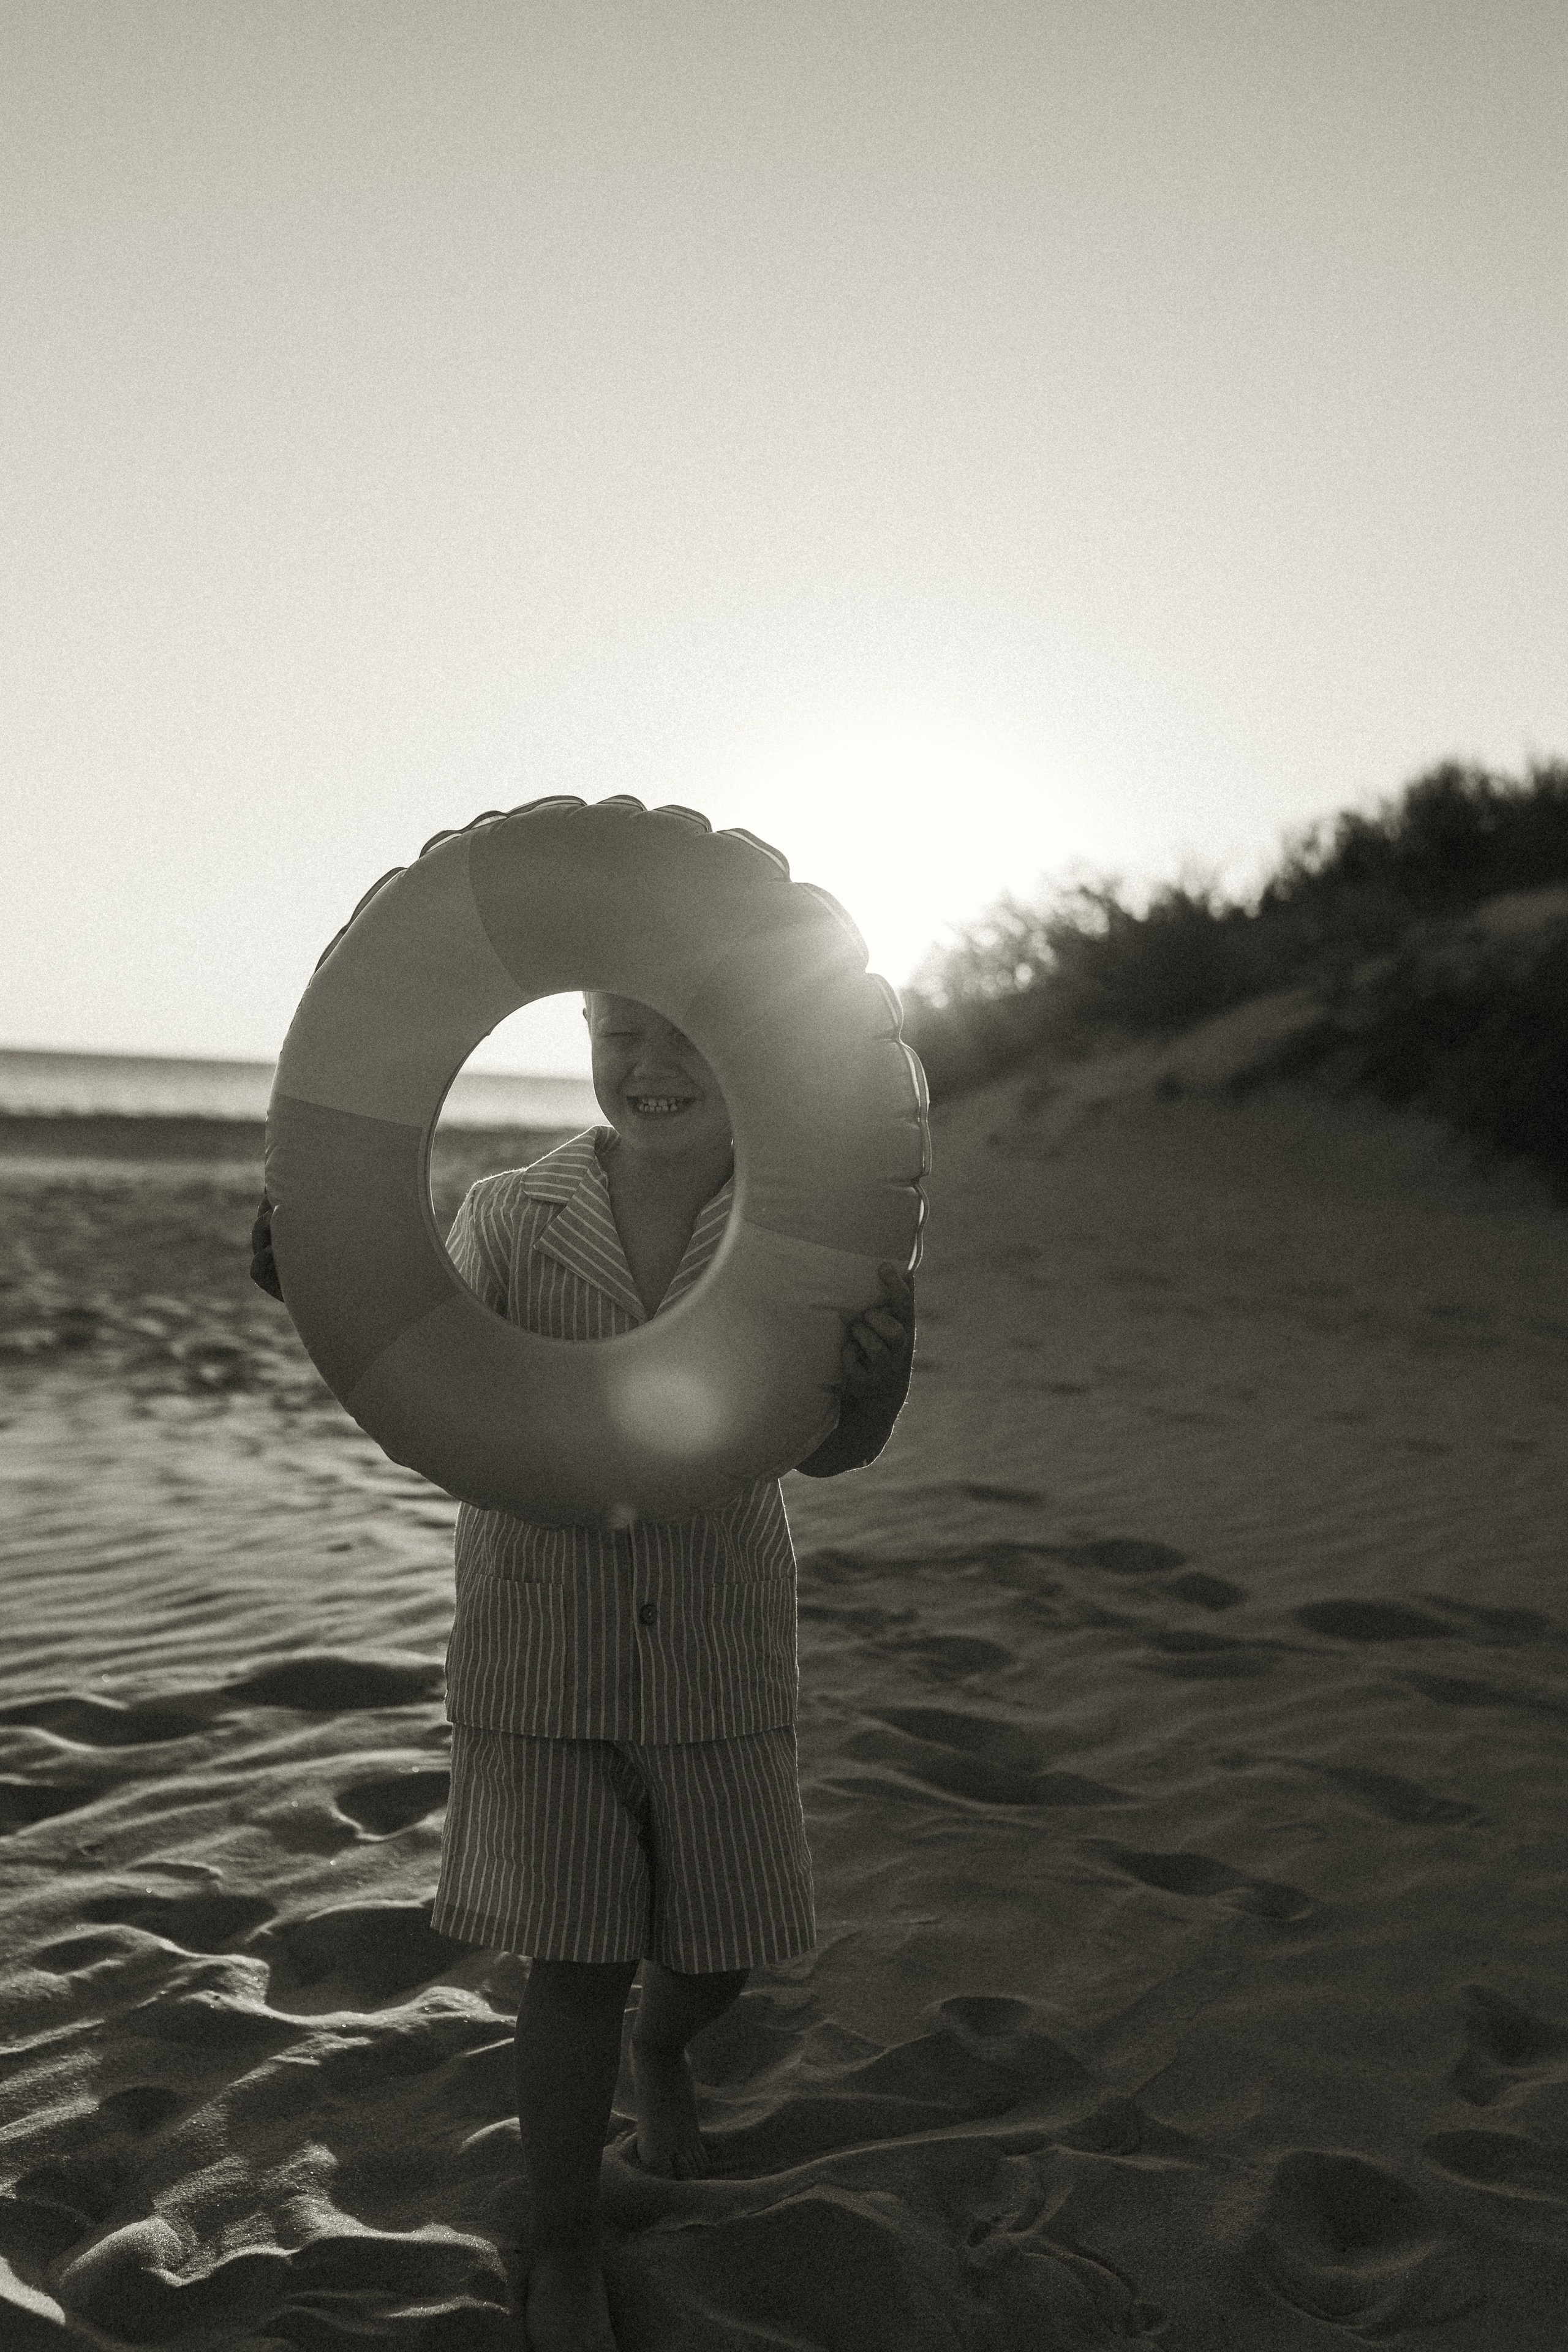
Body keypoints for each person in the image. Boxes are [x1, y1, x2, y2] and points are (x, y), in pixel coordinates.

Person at [251, 991, 915, 2352]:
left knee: (718, 1953)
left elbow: (827, 1449)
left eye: (688, 1029)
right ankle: (561, 2245)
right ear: (582, 1028)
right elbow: (411, 1366)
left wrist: (880, 1386)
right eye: (622, 1026)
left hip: (714, 1650)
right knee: (574, 1962)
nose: (650, 1061)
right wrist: (313, 1272)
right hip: (538, 1648)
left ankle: (667, 2049)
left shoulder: (795, 1228)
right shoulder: (508, 1212)